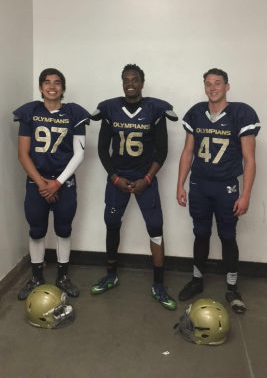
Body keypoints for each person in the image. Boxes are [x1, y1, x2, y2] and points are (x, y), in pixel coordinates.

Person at [90, 64, 178, 310]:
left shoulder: (155, 109)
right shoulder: (110, 109)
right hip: (118, 178)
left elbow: (162, 150)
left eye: (135, 79)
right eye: (126, 79)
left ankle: (159, 284)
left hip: (144, 178)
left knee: (155, 228)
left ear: (142, 82)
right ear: (122, 82)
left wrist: (147, 178)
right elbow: (102, 149)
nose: (130, 83)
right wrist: (114, 177)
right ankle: (111, 274)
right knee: (112, 224)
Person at [176, 68, 260, 313]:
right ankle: (197, 279)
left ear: (227, 86)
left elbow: (250, 159)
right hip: (200, 184)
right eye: (208, 84)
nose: (212, 88)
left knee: (227, 235)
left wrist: (245, 194)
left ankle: (232, 288)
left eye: (218, 83)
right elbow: (188, 152)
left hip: (226, 186)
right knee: (200, 233)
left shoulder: (241, 113)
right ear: (204, 87)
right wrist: (180, 183)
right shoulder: (196, 113)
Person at [13, 68, 90, 300]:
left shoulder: (74, 114)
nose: (52, 86)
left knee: (63, 229)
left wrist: (56, 182)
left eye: (57, 83)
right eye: (47, 82)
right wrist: (42, 183)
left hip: (63, 182)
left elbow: (79, 154)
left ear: (63, 88)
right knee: (36, 230)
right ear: (40, 87)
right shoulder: (30, 112)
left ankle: (62, 277)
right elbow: (23, 153)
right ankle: (37, 276)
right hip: (36, 182)